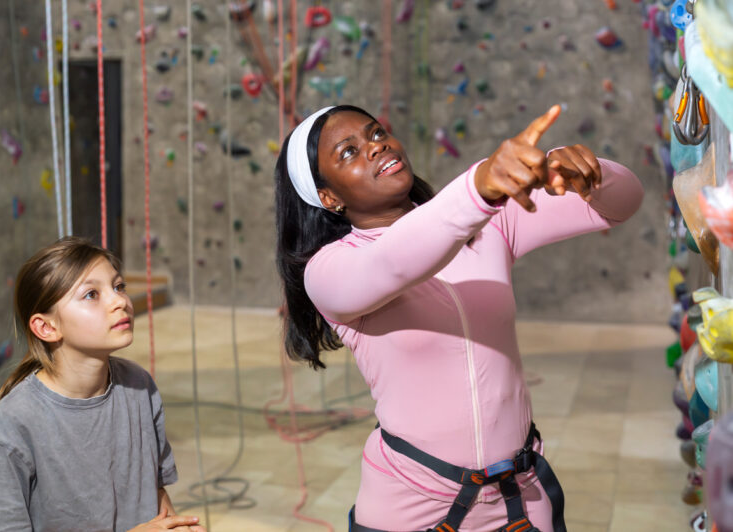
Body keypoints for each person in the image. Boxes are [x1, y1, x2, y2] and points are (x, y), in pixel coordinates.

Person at [274, 104, 643, 531]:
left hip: (519, 497)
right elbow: (393, 263)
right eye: (349, 152)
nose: (376, 147)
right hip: (410, 508)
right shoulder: (330, 270)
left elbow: (624, 202)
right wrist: (479, 186)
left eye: (376, 134)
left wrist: (591, 175)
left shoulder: (485, 224)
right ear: (329, 198)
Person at [0, 237, 204, 532]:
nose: (120, 301)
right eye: (92, 294)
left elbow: (156, 497)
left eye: (119, 287)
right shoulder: (10, 428)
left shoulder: (140, 387)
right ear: (47, 327)